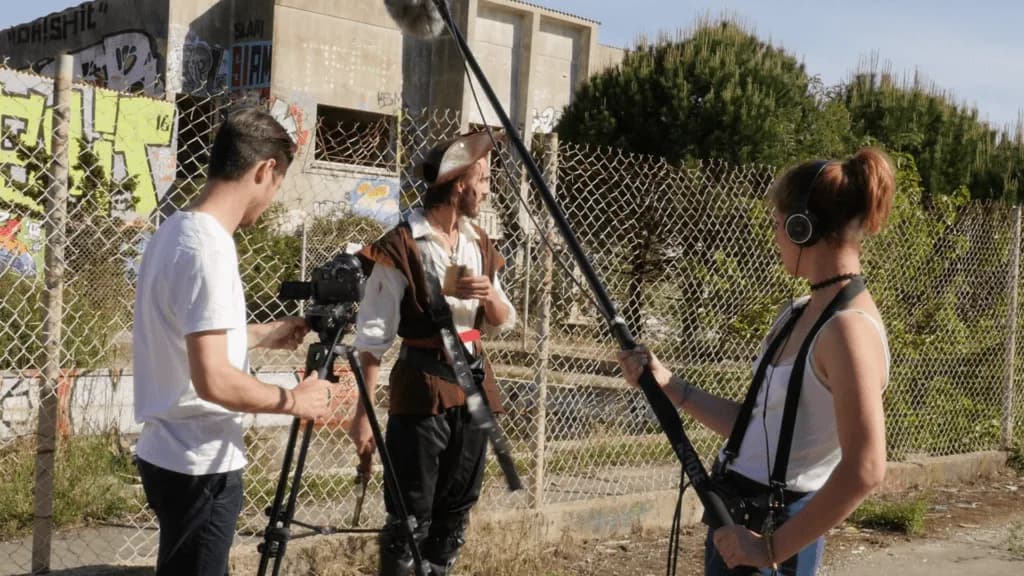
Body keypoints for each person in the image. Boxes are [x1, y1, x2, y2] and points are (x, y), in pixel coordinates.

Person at [618, 149, 895, 575]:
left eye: (778, 224)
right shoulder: (800, 312)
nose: (776, 236)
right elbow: (756, 428)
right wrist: (668, 383)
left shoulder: (847, 331)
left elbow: (867, 469)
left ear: (803, 228)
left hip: (775, 536)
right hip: (738, 520)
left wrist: (771, 549)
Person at [132, 107, 334, 576]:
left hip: (169, 454)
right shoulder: (211, 249)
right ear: (265, 170)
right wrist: (294, 400)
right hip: (200, 464)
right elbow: (215, 380)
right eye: (278, 182)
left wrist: (263, 334)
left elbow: (185, 340)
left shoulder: (174, 231)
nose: (270, 198)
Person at [350, 131, 516, 575]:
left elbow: (503, 318)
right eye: (482, 179)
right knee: (410, 516)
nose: (486, 189)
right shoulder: (401, 245)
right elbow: (373, 338)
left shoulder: (477, 242)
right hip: (422, 390)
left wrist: (488, 298)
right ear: (460, 184)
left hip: (474, 387)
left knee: (455, 515)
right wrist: (363, 413)